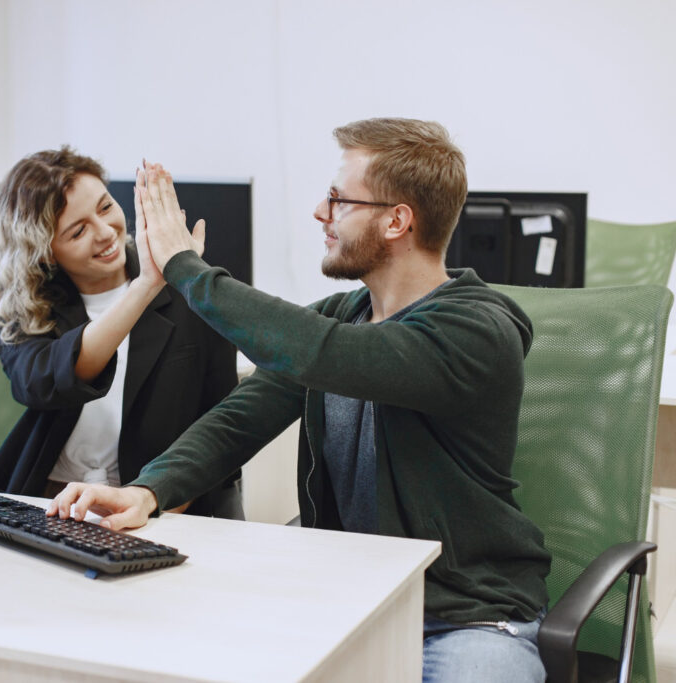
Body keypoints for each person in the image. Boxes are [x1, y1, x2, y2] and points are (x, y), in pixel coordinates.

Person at [48, 119, 552, 682]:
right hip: (348, 606)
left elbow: (325, 354)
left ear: (397, 220)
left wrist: (185, 268)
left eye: (338, 199)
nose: (320, 211)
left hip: (468, 617)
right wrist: (148, 489)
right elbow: (242, 417)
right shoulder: (345, 316)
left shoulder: (475, 330)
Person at [0, 146, 244, 519]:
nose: (105, 233)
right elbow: (42, 382)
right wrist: (145, 286)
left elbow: (225, 424)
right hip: (51, 500)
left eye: (105, 207)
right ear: (46, 252)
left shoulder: (192, 288)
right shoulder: (16, 307)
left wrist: (163, 499)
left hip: (168, 502)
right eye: (78, 230)